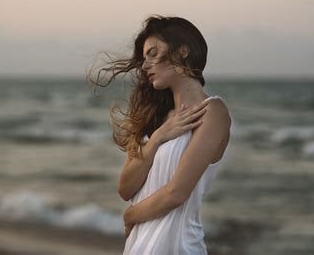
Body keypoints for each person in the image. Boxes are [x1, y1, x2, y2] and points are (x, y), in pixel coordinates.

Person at [87, 14, 232, 255]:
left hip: (179, 248)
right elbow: (126, 188)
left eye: (153, 54)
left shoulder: (213, 112)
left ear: (182, 51)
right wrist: (157, 139)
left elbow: (177, 193)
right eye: (144, 58)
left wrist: (130, 216)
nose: (145, 66)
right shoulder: (157, 119)